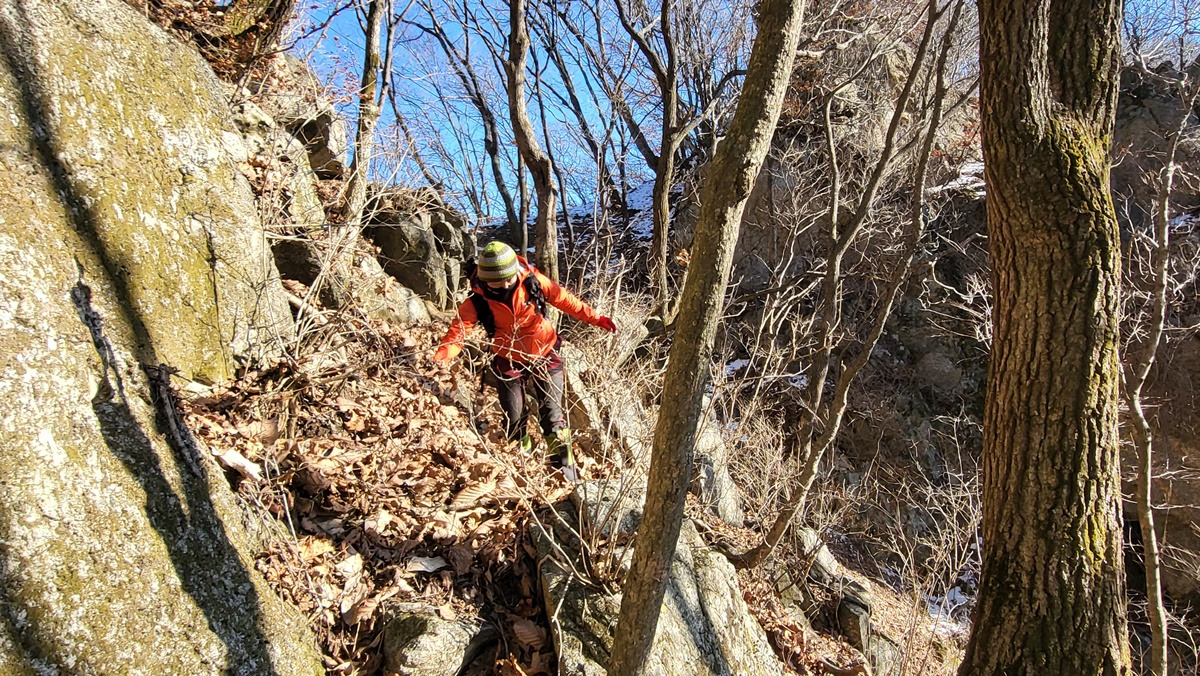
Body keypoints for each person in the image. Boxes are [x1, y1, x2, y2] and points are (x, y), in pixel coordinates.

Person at [433, 242, 617, 474]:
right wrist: (440, 359)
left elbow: (565, 299)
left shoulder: (533, 281)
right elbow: (457, 333)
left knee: (553, 417)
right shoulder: (477, 301)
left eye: (509, 279)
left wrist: (596, 318)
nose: (505, 285)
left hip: (545, 353)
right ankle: (524, 465)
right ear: (485, 279)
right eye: (497, 282)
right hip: (507, 359)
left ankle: (565, 471)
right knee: (514, 418)